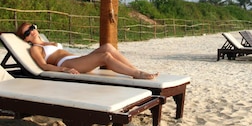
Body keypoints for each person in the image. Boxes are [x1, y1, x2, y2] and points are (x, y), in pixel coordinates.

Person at [16, 22, 158, 79]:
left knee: (107, 46)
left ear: (36, 27)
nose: (31, 32)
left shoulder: (48, 41)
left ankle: (134, 70)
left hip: (76, 59)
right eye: (27, 33)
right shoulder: (36, 48)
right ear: (26, 39)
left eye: (31, 28)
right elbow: (43, 66)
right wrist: (64, 70)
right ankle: (137, 74)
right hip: (68, 64)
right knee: (105, 56)